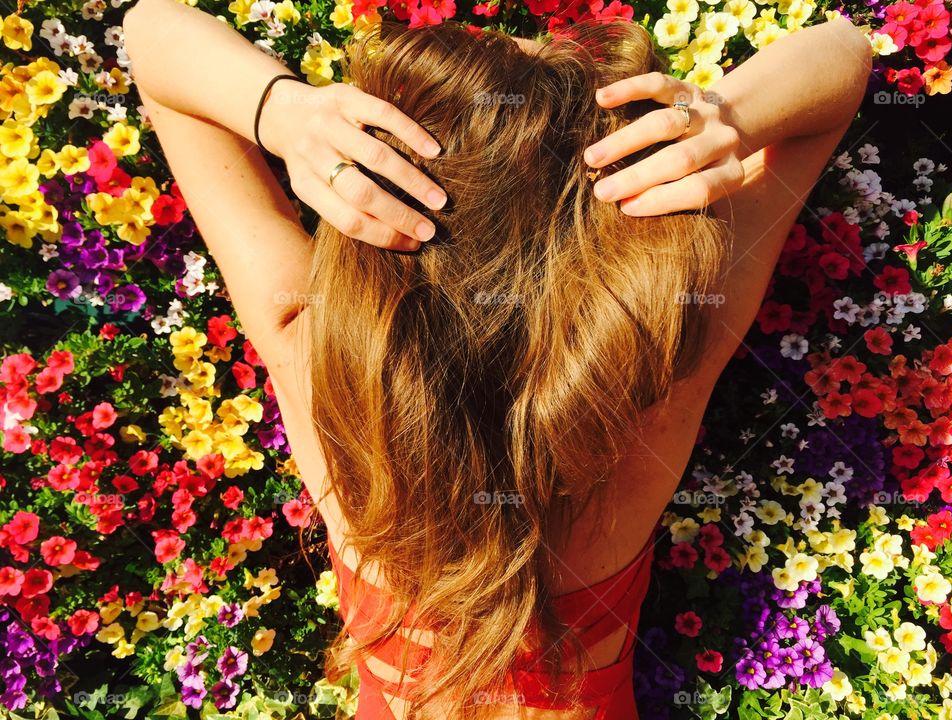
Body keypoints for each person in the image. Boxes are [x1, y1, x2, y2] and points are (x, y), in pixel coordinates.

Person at [121, 2, 873, 718]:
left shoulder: (308, 352)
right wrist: (720, 121)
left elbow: (151, 31)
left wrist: (283, 111)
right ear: (614, 262)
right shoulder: (656, 388)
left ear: (367, 258)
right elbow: (845, 53)